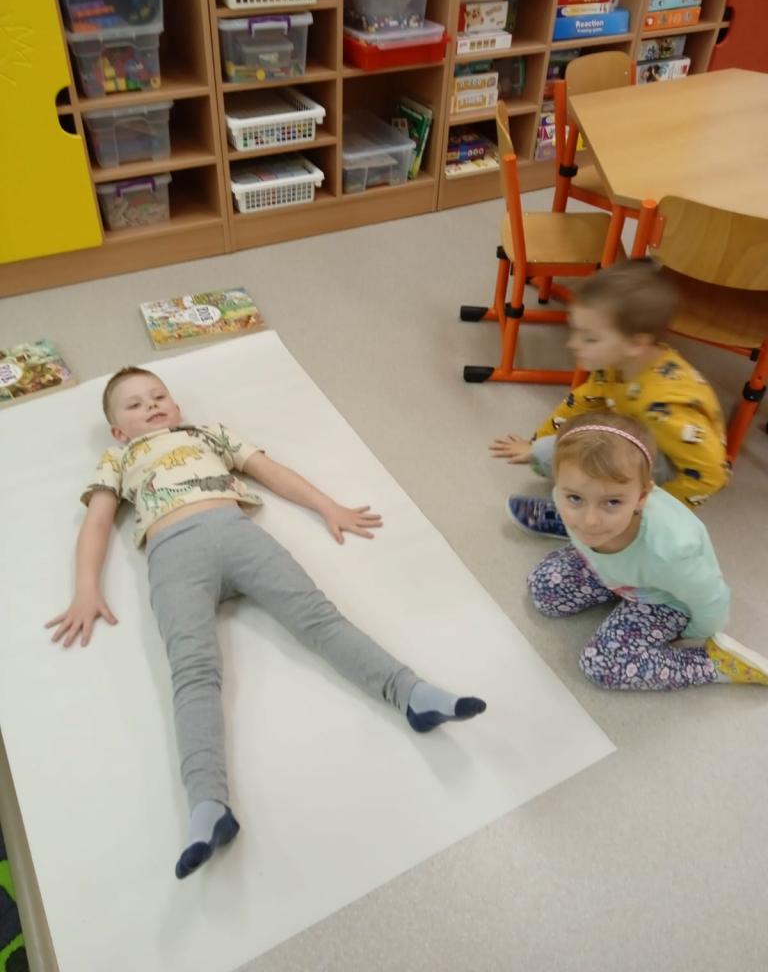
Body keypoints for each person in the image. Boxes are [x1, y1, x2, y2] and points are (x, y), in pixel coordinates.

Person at [46, 367, 486, 880]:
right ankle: (207, 804)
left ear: (177, 405)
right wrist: (86, 587)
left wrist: (327, 506)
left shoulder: (209, 433)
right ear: (118, 431)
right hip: (173, 556)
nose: (152, 406)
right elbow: (98, 522)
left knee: (319, 619)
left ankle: (412, 694)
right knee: (192, 671)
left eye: (159, 396)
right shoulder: (118, 459)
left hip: (239, 535)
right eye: (136, 405)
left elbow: (270, 471)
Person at [527, 411, 768, 691]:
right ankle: (569, 525)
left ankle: (713, 665)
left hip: (664, 599)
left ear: (642, 497)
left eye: (612, 502)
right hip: (615, 573)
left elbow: (711, 598)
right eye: (575, 498)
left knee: (602, 666)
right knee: (544, 591)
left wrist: (693, 632)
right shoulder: (565, 497)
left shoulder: (671, 551)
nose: (590, 520)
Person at [489, 260, 730, 539]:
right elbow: (582, 402)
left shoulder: (664, 407)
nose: (573, 344)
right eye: (576, 332)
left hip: (666, 466)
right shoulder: (621, 363)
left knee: (564, 460)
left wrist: (644, 513)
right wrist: (534, 443)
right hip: (640, 439)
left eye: (590, 339)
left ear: (636, 343)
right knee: (548, 451)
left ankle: (595, 523)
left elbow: (711, 475)